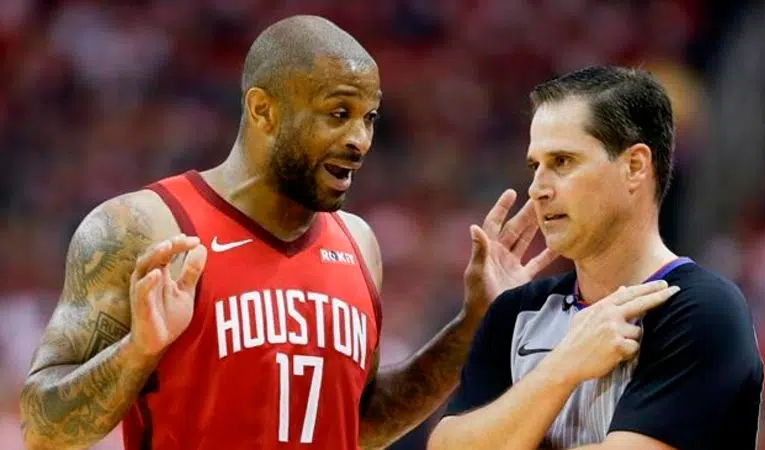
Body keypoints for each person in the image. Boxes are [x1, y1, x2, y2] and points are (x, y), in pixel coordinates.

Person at [18, 15, 564, 450]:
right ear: (264, 110)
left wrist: (473, 325)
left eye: (370, 118)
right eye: (339, 113)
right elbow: (44, 430)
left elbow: (360, 426)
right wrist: (138, 351)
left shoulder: (358, 243)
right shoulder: (143, 227)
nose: (360, 140)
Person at [428, 66, 765, 450]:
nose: (537, 189)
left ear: (634, 166)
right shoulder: (516, 310)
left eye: (562, 161)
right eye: (535, 166)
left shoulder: (704, 310)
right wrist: (562, 367)